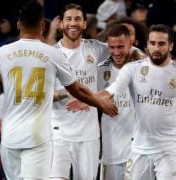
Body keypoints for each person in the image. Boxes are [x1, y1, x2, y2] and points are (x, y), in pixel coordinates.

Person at [0, 1, 117, 180]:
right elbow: (78, 90)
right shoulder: (54, 54)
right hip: (38, 139)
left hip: (10, 138)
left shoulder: (1, 53)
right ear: (42, 25)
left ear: (18, 24)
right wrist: (100, 103)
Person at [98, 24, 176, 180]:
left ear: (171, 46)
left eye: (161, 44)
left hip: (169, 148)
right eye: (152, 43)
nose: (156, 48)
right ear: (147, 45)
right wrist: (86, 98)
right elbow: (111, 91)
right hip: (139, 148)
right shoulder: (132, 69)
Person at [50, 4, 111, 180]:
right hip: (58, 132)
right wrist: (70, 92)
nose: (73, 23)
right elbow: (41, 95)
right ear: (61, 24)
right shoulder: (50, 54)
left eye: (77, 19)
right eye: (68, 19)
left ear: (85, 24)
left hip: (88, 134)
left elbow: (123, 48)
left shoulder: (96, 49)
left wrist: (141, 56)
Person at [97, 24, 136, 180]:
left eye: (121, 47)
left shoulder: (141, 69)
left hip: (135, 151)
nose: (116, 52)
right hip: (110, 151)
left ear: (130, 44)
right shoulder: (100, 70)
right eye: (112, 47)